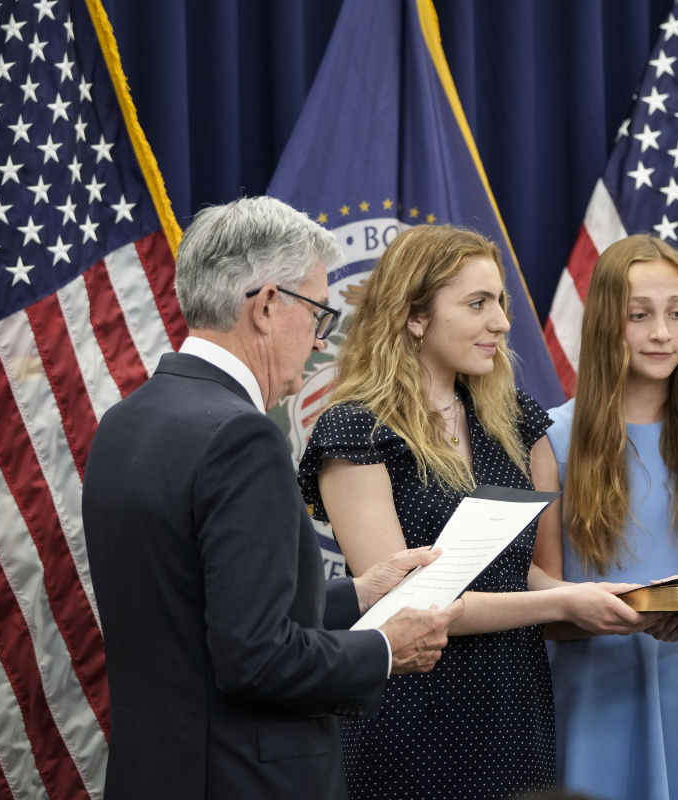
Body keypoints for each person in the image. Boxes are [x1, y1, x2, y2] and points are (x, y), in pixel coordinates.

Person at [82, 197, 462, 800]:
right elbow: (256, 658)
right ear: (264, 306)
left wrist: (361, 594)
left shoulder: (122, 423)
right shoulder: (242, 437)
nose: (319, 343)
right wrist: (386, 648)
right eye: (318, 314)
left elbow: (199, 610)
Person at [297, 224, 654, 800]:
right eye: (477, 303)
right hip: (410, 713)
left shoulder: (514, 419)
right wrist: (565, 603)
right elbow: (405, 601)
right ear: (415, 316)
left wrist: (598, 596)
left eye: (501, 302)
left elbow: (519, 572)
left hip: (514, 706)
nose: (503, 322)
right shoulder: (357, 430)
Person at [533, 235, 678, 800]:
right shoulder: (551, 437)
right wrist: (614, 612)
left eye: (676, 314)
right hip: (594, 698)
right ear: (606, 324)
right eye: (640, 315)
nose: (662, 333)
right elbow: (546, 611)